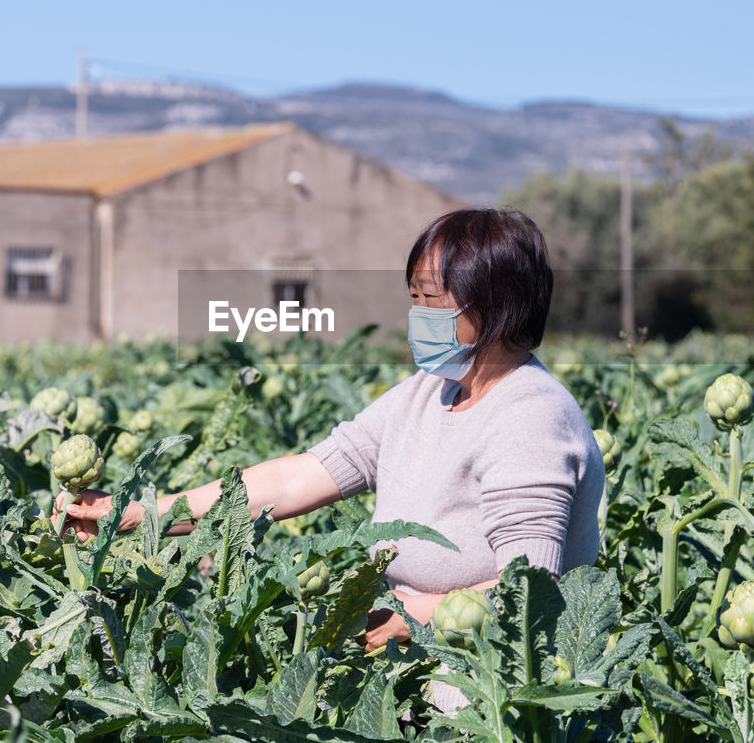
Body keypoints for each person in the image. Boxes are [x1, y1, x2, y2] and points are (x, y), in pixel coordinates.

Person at [56, 208, 605, 661]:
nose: (415, 315)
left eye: (429, 298)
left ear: (491, 306)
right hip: (415, 679)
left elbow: (533, 590)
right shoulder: (430, 392)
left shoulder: (529, 418)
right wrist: (136, 514)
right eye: (413, 296)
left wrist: (411, 618)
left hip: (494, 698)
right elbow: (296, 478)